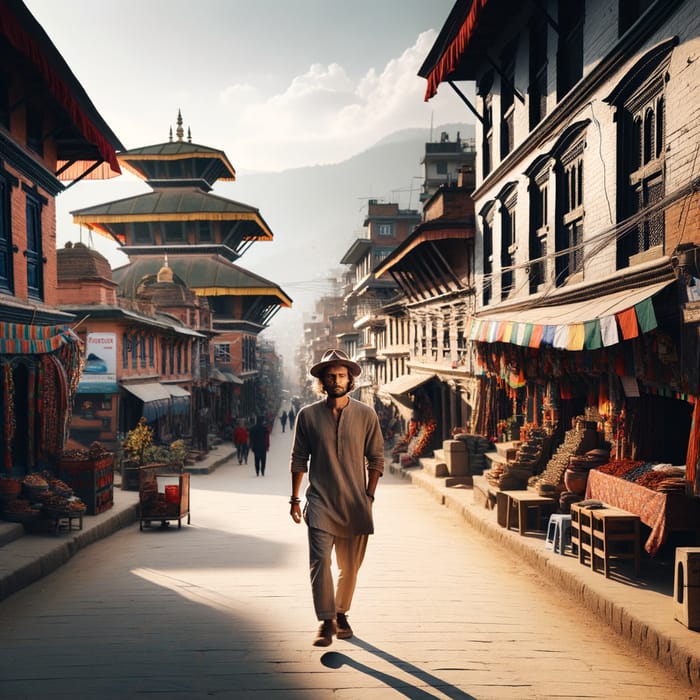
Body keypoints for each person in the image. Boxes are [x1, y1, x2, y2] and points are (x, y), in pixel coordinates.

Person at [289, 349, 384, 647]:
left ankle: (341, 612)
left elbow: (377, 458)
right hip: (319, 502)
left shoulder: (366, 415)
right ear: (322, 381)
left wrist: (368, 495)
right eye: (331, 375)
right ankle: (325, 620)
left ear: (350, 380)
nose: (336, 380)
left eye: (342, 375)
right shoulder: (307, 416)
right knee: (319, 562)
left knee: (349, 567)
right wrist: (294, 499)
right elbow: (298, 460)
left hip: (356, 504)